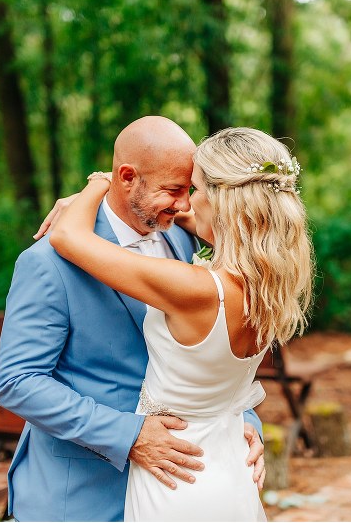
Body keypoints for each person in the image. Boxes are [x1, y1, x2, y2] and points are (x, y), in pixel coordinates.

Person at [0, 116, 266, 522]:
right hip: (82, 494)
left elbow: (209, 349)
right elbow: (18, 382)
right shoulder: (48, 263)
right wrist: (130, 435)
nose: (185, 204)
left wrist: (243, 421)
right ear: (126, 177)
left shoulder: (180, 236)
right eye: (173, 190)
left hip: (179, 492)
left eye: (189, 190)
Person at [48, 126, 314, 521]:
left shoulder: (197, 289)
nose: (187, 204)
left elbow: (66, 235)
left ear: (223, 204)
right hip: (228, 470)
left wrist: (100, 183)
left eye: (197, 190)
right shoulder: (269, 286)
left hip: (179, 482)